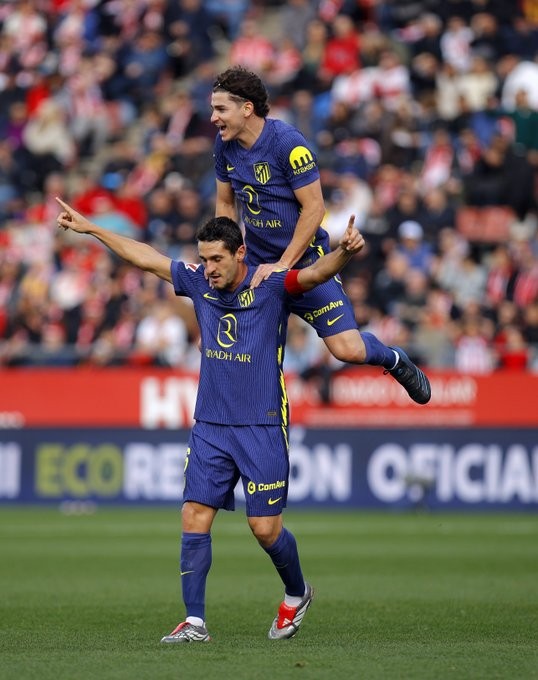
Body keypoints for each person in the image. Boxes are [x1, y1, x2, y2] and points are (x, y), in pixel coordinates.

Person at [55, 197, 364, 643]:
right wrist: (92, 229)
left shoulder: (271, 283)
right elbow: (146, 258)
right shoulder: (198, 282)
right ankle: (195, 622)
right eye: (204, 259)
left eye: (217, 258)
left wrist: (344, 253)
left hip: (261, 423)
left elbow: (314, 275)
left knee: (265, 528)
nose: (209, 268)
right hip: (211, 425)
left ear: (240, 253)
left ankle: (297, 592)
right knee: (194, 514)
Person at [211, 66, 431, 405]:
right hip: (255, 266)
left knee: (348, 350)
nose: (213, 118)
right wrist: (227, 257)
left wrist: (284, 265)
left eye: (220, 109)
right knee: (251, 349)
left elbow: (314, 209)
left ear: (247, 108)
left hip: (307, 265)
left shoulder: (288, 144)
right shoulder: (224, 145)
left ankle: (393, 358)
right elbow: (226, 204)